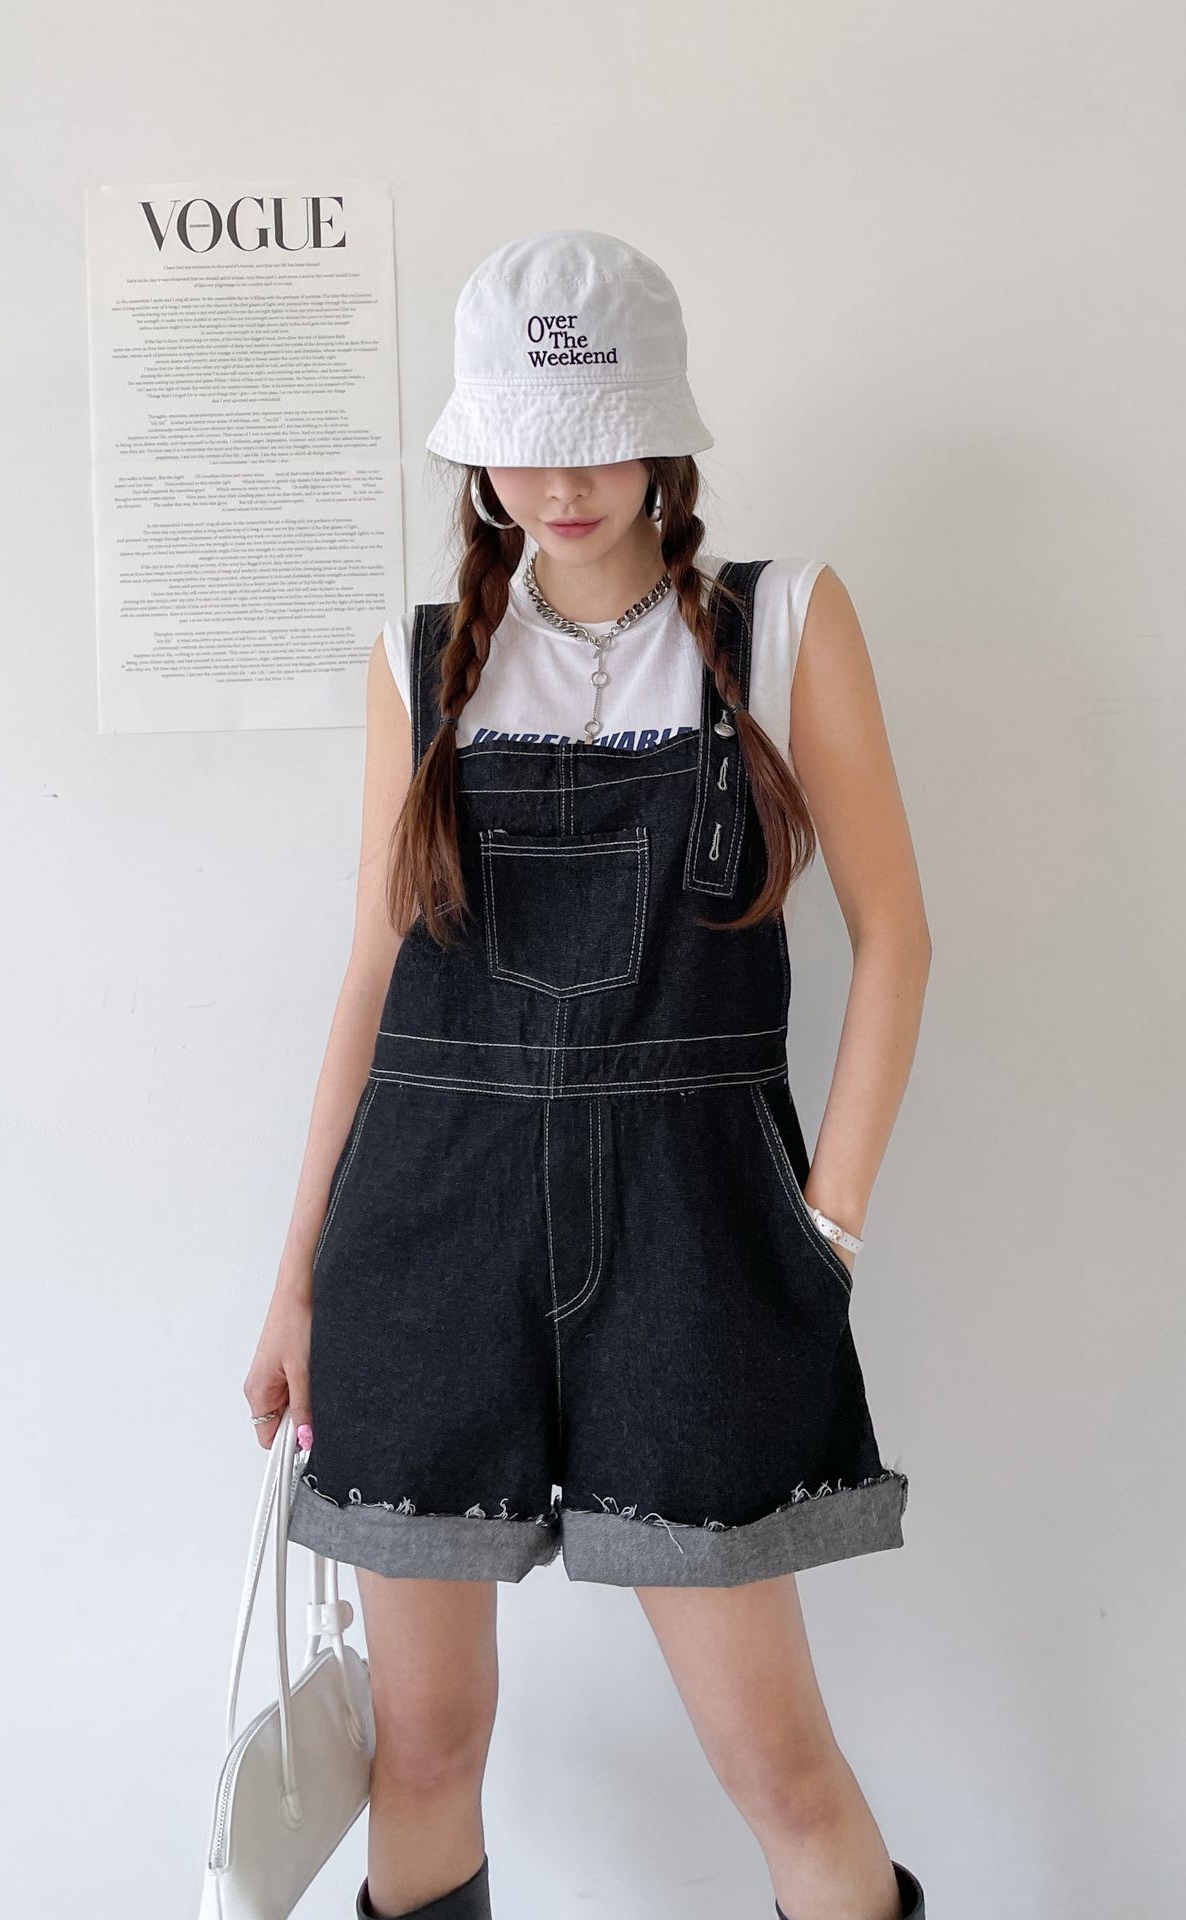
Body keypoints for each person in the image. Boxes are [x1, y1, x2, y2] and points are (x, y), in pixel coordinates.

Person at [243, 230, 933, 1920]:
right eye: (519, 443)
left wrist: (825, 1230)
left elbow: (900, 937)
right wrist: (297, 1278)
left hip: (697, 1252)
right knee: (425, 1749)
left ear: (667, 434)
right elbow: (372, 979)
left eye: (598, 438)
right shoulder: (421, 656)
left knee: (780, 1767)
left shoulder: (781, 621)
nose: (557, 484)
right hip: (426, 1242)